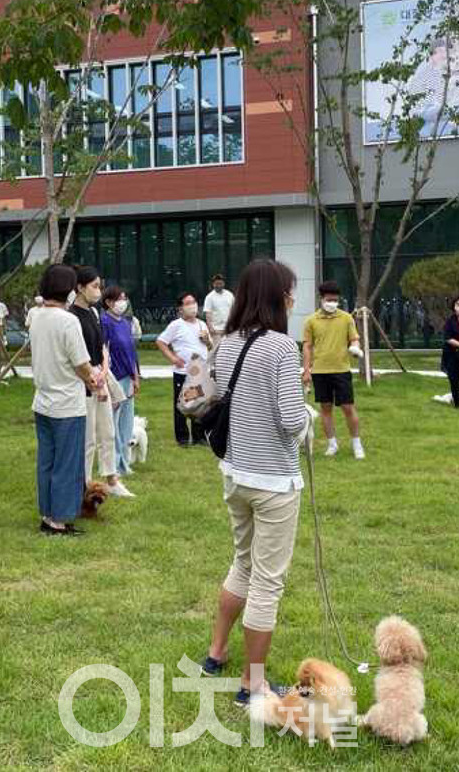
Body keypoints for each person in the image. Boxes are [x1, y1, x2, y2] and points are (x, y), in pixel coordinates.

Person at [199, 259, 310, 706]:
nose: (292, 299)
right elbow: (290, 420)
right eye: (290, 291)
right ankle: (253, 684)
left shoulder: (225, 344)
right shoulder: (282, 348)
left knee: (242, 564)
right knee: (267, 582)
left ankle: (216, 653)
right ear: (278, 296)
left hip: (236, 474)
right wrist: (307, 421)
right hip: (273, 481)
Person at [29, 263, 98, 536]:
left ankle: (47, 514)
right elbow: (81, 362)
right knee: (67, 464)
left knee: (47, 461)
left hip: (43, 401)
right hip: (67, 402)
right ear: (68, 290)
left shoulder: (37, 316)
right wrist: (92, 378)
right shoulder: (68, 320)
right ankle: (60, 520)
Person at [71, 267, 133, 498]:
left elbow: (101, 347)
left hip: (99, 374)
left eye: (99, 286)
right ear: (80, 287)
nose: (98, 291)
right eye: (94, 286)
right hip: (84, 381)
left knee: (107, 431)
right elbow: (77, 356)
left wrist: (104, 372)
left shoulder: (95, 313)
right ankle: (85, 484)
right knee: (89, 437)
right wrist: (93, 381)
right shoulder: (72, 316)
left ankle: (112, 479)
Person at [301, 281, 365, 459]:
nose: (333, 303)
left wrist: (355, 347)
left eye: (336, 300)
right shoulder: (311, 321)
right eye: (329, 300)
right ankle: (332, 444)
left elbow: (354, 339)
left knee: (348, 407)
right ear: (322, 299)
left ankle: (356, 444)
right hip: (320, 371)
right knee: (325, 408)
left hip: (341, 370)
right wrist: (306, 371)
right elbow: (307, 347)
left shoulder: (346, 318)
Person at [157, 292, 211, 447]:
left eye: (193, 302)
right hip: (183, 372)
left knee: (198, 404)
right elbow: (161, 342)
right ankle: (182, 438)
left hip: (200, 371)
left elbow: (210, 346)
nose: (192, 306)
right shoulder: (176, 325)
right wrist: (173, 358)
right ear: (180, 308)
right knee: (182, 405)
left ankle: (199, 436)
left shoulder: (202, 324)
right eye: (188, 303)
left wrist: (206, 339)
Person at [101, 286, 141, 478]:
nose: (122, 302)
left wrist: (135, 376)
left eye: (125, 298)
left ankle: (125, 462)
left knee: (126, 423)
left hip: (128, 377)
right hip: (113, 379)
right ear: (108, 302)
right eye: (119, 299)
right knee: (113, 424)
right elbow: (103, 351)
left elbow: (131, 352)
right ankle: (114, 465)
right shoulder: (104, 322)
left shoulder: (126, 323)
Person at [203, 274, 235, 347]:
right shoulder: (209, 297)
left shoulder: (230, 295)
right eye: (216, 284)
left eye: (220, 283)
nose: (218, 285)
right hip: (216, 330)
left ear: (224, 283)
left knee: (229, 349)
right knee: (217, 350)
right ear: (213, 284)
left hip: (229, 328)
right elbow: (208, 313)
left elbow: (233, 310)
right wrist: (210, 328)